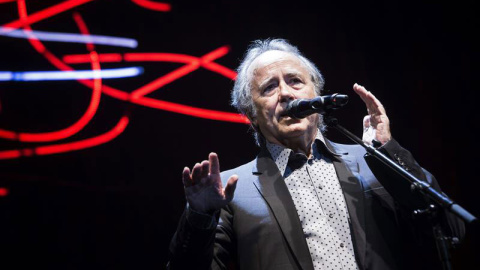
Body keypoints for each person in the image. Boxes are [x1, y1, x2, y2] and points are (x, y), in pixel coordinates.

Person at [167, 39, 464, 270]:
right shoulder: (233, 189)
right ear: (250, 114)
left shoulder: (372, 160)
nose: (285, 93)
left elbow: (451, 230)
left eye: (295, 81)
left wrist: (389, 151)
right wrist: (200, 217)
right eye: (269, 87)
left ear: (316, 93)